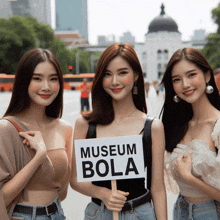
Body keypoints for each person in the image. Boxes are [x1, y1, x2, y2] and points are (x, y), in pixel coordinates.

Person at [70, 43, 167, 220]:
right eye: (107, 74)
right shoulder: (84, 124)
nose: (114, 81)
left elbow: (158, 188)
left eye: (122, 73)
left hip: (141, 213)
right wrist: (102, 193)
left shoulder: (153, 127)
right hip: (99, 213)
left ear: (136, 75)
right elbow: (75, 179)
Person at [0, 48, 73, 220]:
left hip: (57, 213)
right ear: (24, 81)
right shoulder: (6, 129)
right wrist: (39, 156)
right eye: (37, 78)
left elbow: (61, 192)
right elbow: (2, 198)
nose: (46, 87)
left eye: (53, 79)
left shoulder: (64, 128)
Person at [161, 47, 220, 219]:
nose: (185, 84)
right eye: (177, 79)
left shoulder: (218, 125)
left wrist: (189, 177)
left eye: (191, 75)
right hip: (180, 211)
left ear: (207, 76)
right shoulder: (179, 126)